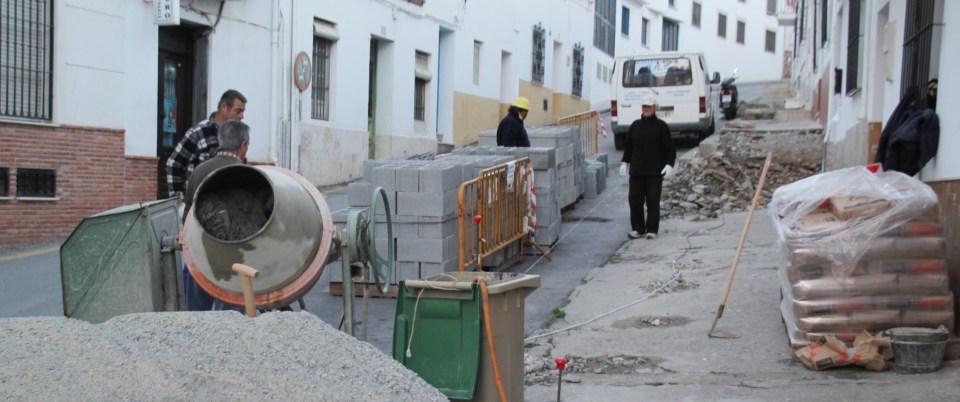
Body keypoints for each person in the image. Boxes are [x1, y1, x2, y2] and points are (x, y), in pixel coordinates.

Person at [181, 119, 250, 311]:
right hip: (234, 259)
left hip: (200, 254)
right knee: (229, 318)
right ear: (243, 146)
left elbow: (187, 216)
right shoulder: (248, 175)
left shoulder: (198, 171)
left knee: (197, 315)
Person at [166, 89, 247, 199]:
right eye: (238, 111)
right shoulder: (198, 133)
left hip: (227, 204)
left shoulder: (239, 135)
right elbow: (174, 163)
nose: (242, 116)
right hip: (198, 204)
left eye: (243, 111)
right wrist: (179, 200)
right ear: (224, 107)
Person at [619, 94, 676, 240]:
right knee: (634, 200)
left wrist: (669, 164)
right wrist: (625, 162)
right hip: (637, 172)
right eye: (644, 106)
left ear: (654, 108)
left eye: (649, 107)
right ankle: (638, 228)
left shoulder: (661, 127)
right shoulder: (635, 126)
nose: (646, 109)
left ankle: (652, 229)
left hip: (654, 172)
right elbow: (628, 146)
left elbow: (669, 148)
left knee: (652, 200)